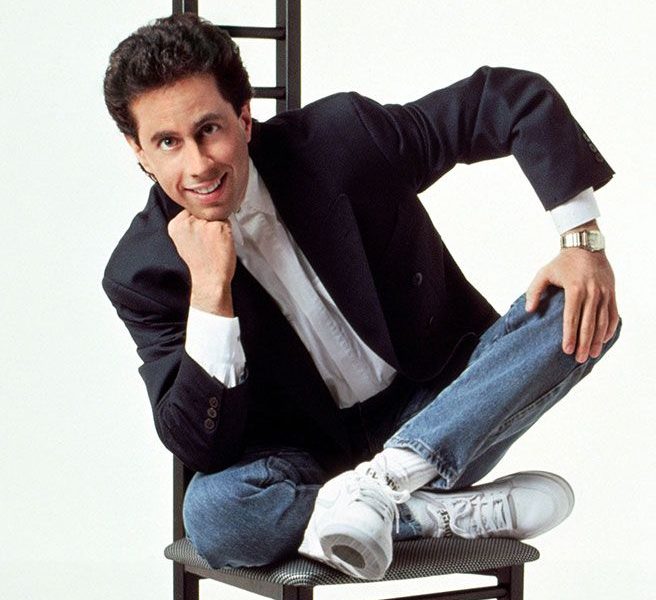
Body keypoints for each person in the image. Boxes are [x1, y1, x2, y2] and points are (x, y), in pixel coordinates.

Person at [102, 14, 620, 580]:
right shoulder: (143, 271)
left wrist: (581, 242)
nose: (198, 165)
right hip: (306, 466)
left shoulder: (342, 140)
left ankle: (384, 486)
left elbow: (504, 98)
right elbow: (200, 447)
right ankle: (427, 514)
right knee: (213, 515)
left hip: (445, 410)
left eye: (209, 129)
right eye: (168, 143)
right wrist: (209, 293)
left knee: (584, 306)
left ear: (244, 118)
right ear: (139, 151)